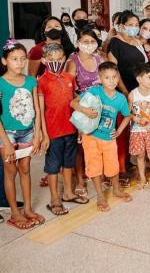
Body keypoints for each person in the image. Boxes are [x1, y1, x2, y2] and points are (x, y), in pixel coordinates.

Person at [70, 62, 132, 212]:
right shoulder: (94, 91)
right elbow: (73, 102)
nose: (111, 80)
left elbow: (127, 116)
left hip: (109, 138)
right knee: (94, 166)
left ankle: (116, 190)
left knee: (113, 165)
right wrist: (84, 110)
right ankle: (100, 196)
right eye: (107, 77)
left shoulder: (120, 99)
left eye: (114, 77)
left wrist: (118, 131)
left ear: (118, 78)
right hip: (90, 136)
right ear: (100, 78)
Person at [38, 43, 88, 216]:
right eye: (51, 60)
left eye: (59, 59)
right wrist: (43, 134)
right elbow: (40, 111)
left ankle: (67, 192)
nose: (56, 62)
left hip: (70, 129)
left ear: (65, 60)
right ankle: (54, 199)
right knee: (53, 167)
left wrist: (80, 127)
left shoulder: (68, 78)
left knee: (69, 163)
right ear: (44, 60)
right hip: (53, 132)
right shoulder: (41, 82)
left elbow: (75, 104)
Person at [0, 39, 44, 228]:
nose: (19, 63)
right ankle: (14, 212)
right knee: (10, 172)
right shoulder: (1, 83)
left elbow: (37, 108)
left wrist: (38, 133)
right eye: (14, 59)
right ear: (4, 61)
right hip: (6, 133)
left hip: (27, 132)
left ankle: (27, 209)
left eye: (22, 59)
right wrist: (6, 143)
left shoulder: (31, 81)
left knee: (25, 170)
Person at [107, 11, 147, 186]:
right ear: (122, 26)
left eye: (136, 24)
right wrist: (124, 91)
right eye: (130, 24)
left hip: (140, 92)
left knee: (137, 130)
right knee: (122, 130)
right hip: (124, 93)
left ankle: (134, 163)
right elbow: (113, 70)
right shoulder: (115, 43)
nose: (134, 27)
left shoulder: (137, 42)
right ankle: (120, 169)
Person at [66, 29, 104, 198]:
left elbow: (107, 79)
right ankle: (80, 180)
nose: (89, 45)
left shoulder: (99, 58)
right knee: (81, 146)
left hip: (100, 106)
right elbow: (69, 87)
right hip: (81, 106)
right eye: (85, 41)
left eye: (92, 41)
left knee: (99, 142)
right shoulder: (73, 62)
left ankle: (97, 173)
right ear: (78, 43)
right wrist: (83, 107)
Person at [128, 63, 150, 190]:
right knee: (140, 155)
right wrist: (135, 118)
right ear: (139, 79)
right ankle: (142, 178)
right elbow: (128, 113)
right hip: (137, 131)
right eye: (148, 77)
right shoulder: (132, 94)